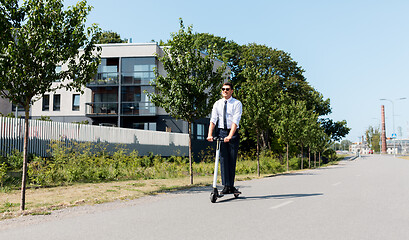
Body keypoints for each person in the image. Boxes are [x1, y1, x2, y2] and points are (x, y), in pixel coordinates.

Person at [207, 82, 242, 194]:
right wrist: (210, 134)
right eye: (223, 89)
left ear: (231, 91)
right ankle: (226, 186)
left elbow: (235, 121)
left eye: (227, 89)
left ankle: (230, 185)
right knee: (222, 159)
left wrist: (230, 136)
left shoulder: (237, 103)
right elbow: (213, 120)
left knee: (231, 160)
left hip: (232, 132)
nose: (225, 91)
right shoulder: (217, 104)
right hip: (221, 131)